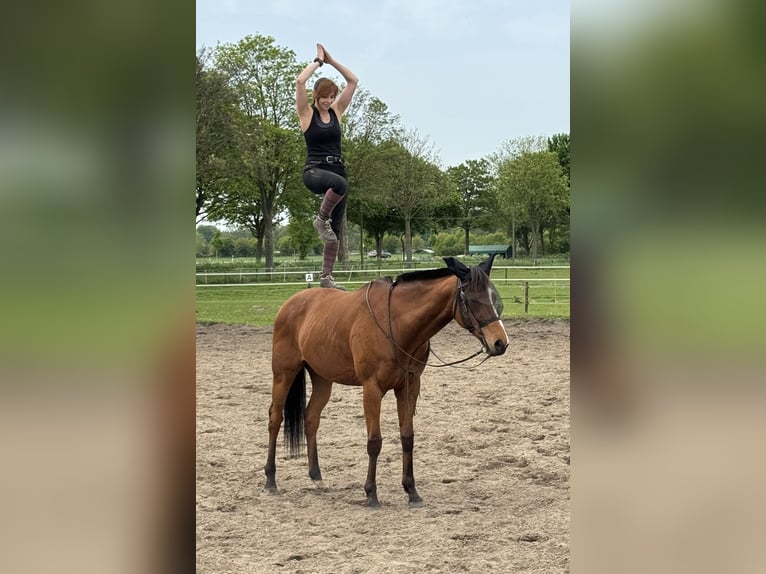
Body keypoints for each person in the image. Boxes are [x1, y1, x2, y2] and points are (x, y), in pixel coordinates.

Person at [296, 43, 358, 290]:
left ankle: (326, 278)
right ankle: (320, 219)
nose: (328, 101)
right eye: (324, 97)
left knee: (335, 234)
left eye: (332, 97)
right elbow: (300, 81)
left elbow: (353, 81)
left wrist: (333, 61)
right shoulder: (306, 114)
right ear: (316, 96)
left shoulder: (336, 112)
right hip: (314, 172)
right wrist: (318, 62)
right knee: (338, 185)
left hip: (337, 172)